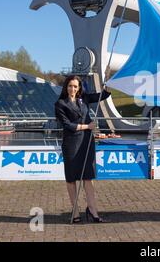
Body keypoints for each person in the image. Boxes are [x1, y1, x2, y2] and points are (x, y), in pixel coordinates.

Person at [55, 75, 111, 223]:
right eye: (70, 86)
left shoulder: (84, 99)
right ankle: (75, 211)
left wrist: (109, 81)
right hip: (71, 144)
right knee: (72, 178)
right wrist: (87, 126)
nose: (72, 89)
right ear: (66, 87)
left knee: (88, 177)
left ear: (79, 87)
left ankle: (92, 210)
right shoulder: (60, 104)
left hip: (86, 143)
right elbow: (67, 125)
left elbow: (103, 95)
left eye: (75, 86)